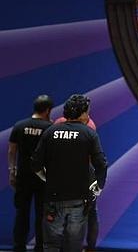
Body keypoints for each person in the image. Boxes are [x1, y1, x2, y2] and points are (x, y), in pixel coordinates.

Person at [31, 94, 107, 252]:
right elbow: (101, 165)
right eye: (87, 112)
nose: (88, 115)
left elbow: (35, 164)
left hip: (53, 198)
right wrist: (98, 188)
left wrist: (46, 178)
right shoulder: (89, 134)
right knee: (73, 246)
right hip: (78, 199)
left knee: (51, 245)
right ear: (81, 113)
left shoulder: (50, 131)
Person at [8, 95, 54, 252]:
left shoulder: (19, 126)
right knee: (42, 215)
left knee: (22, 213)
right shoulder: (50, 128)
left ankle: (18, 247)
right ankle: (40, 247)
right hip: (43, 178)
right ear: (48, 110)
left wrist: (12, 172)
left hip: (23, 177)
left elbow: (12, 151)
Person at [54, 116, 99, 252]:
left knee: (71, 212)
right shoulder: (90, 125)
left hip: (65, 175)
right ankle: (85, 248)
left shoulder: (60, 123)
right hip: (84, 174)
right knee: (88, 213)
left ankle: (67, 247)